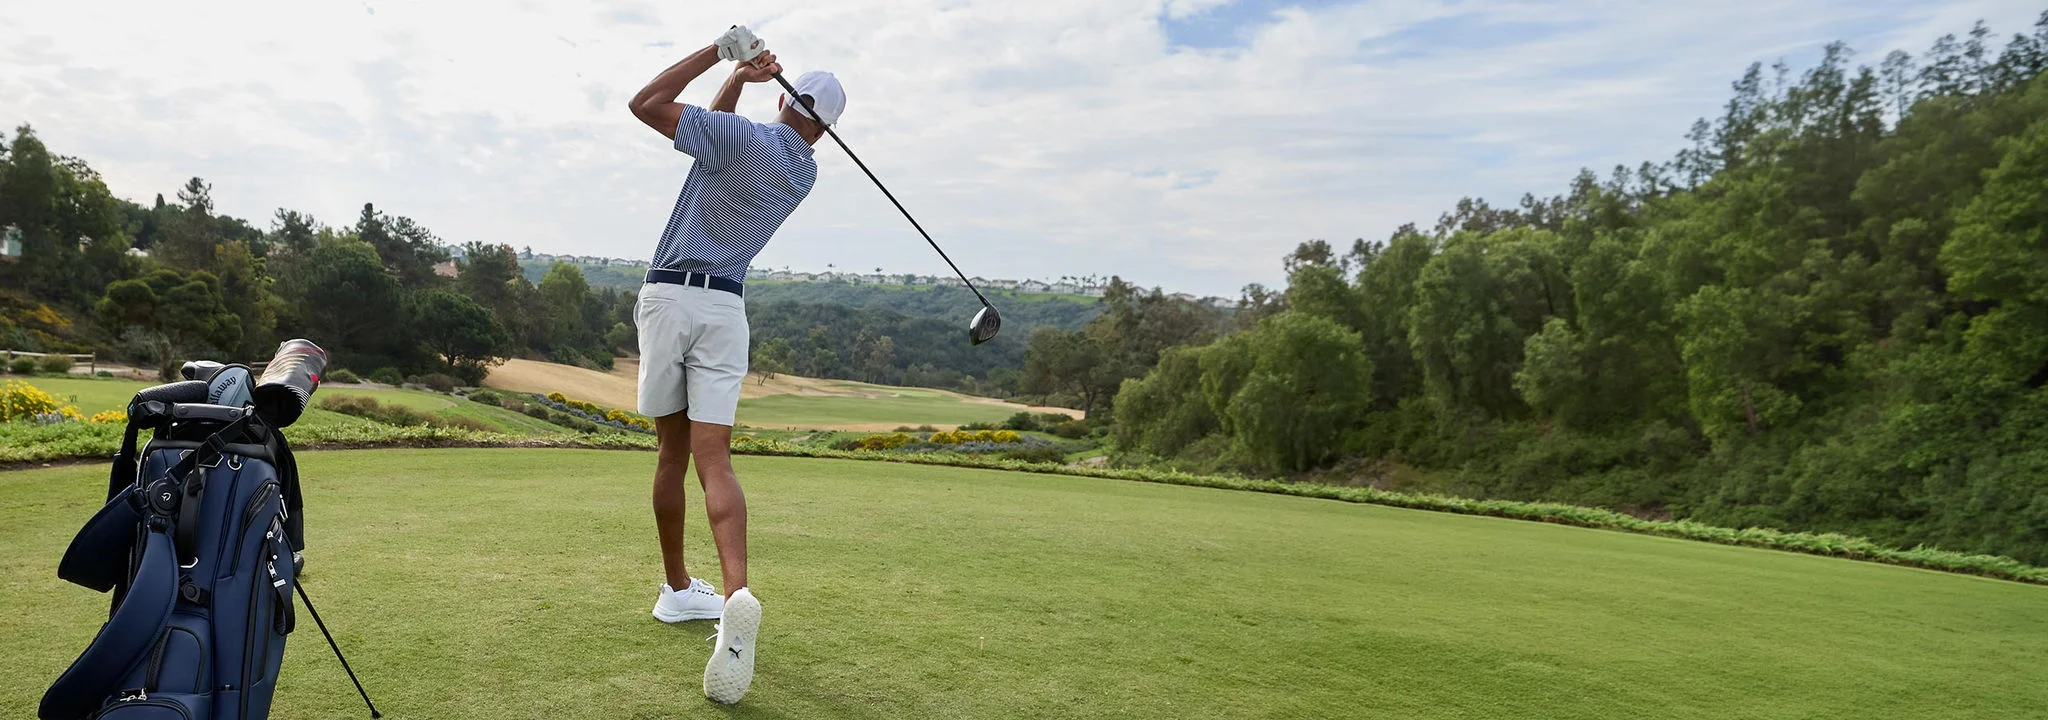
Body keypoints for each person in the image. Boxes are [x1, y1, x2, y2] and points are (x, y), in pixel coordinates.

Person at [625, 27, 845, 705]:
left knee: (671, 455)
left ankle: (676, 589)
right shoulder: (803, 172)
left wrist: (721, 55)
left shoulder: (740, 138)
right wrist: (740, 84)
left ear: (784, 100)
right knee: (714, 460)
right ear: (824, 131)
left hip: (669, 298)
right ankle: (734, 597)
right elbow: (714, 137)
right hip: (725, 309)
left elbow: (645, 103)